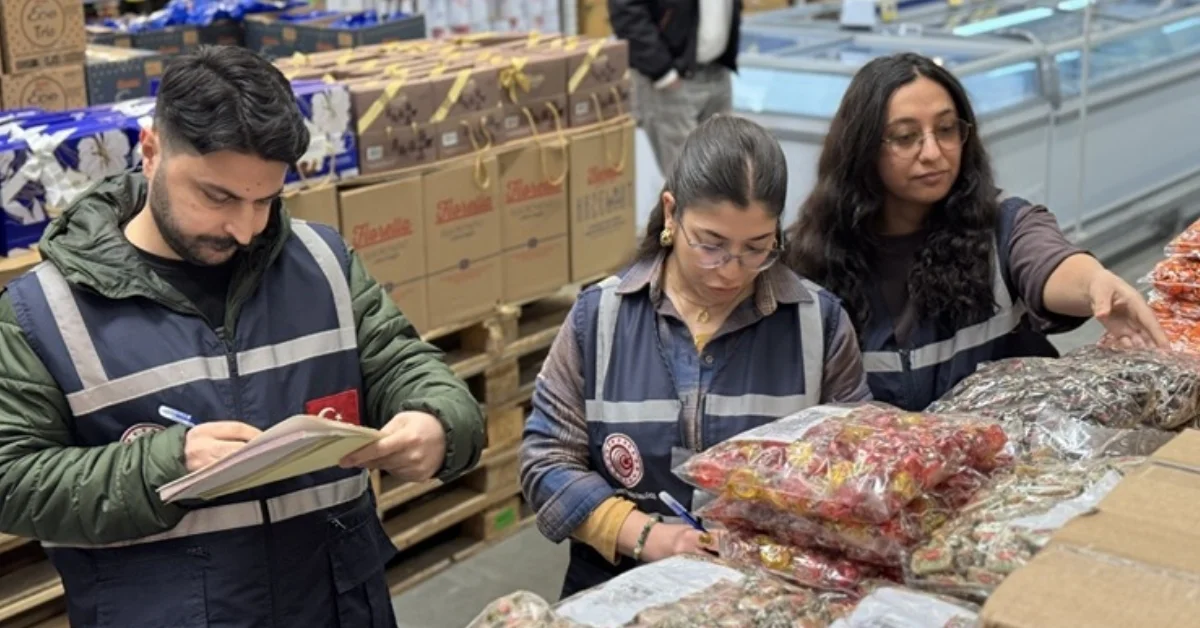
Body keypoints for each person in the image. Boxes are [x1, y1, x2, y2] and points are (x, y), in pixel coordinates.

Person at [0, 46, 484, 628]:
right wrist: (164, 466)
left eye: (266, 200)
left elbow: (405, 364)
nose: (246, 228)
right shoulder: (42, 313)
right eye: (218, 196)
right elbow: (10, 480)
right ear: (151, 152)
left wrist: (438, 422)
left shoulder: (323, 261)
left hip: (336, 607)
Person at [520, 115, 871, 598]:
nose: (730, 271)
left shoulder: (819, 325)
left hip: (772, 595)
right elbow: (545, 462)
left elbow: (860, 471)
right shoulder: (599, 319)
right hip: (620, 588)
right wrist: (647, 536)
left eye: (756, 248)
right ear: (671, 213)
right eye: (710, 244)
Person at [783, 52, 1168, 413]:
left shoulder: (1003, 224)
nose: (933, 152)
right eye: (905, 136)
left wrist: (1095, 284)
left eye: (946, 129)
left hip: (1008, 456)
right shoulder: (808, 258)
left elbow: (1046, 259)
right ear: (863, 148)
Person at [609, 0, 739, 175]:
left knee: (724, 170)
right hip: (671, 79)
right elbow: (626, 11)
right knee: (685, 177)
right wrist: (661, 71)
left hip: (718, 70)